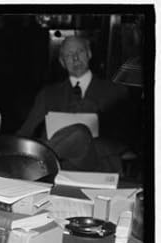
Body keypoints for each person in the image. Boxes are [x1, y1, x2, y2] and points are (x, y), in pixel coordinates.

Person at [17, 36, 130, 172]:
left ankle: (27, 168)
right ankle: (31, 165)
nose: (75, 58)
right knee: (76, 134)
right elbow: (25, 132)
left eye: (80, 52)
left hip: (98, 164)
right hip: (58, 167)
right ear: (62, 62)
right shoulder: (48, 94)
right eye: (69, 55)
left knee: (80, 133)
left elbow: (126, 138)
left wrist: (99, 117)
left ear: (89, 54)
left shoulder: (115, 91)